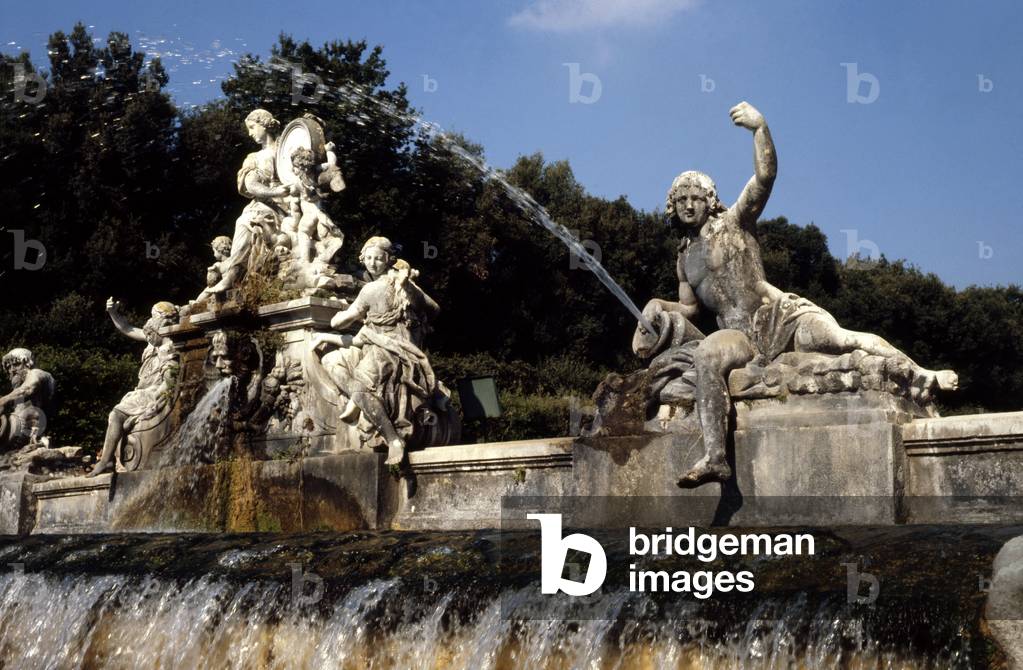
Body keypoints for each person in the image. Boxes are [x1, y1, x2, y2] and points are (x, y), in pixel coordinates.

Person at [648, 102, 956, 488]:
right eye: (681, 199)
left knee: (841, 340)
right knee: (709, 354)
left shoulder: (735, 221)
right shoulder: (683, 258)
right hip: (740, 335)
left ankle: (920, 372)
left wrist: (760, 128)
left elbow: (764, 177)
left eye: (696, 196)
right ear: (672, 207)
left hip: (778, 314)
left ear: (711, 200)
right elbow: (690, 309)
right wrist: (659, 306)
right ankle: (715, 458)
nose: (689, 204)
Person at [312, 236, 445, 465]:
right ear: (364, 259)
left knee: (355, 379)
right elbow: (433, 309)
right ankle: (357, 400)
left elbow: (342, 322)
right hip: (387, 346)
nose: (373, 263)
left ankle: (392, 438)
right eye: (370, 258)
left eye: (378, 259)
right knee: (334, 358)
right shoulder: (401, 283)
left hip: (387, 351)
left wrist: (334, 320)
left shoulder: (373, 290)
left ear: (388, 260)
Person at [87, 299, 179, 477]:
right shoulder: (153, 339)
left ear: (163, 321)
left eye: (154, 317)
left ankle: (105, 461)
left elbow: (168, 382)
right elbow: (127, 328)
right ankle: (107, 460)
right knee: (116, 414)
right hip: (142, 391)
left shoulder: (170, 345)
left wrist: (153, 400)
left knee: (116, 414)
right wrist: (113, 313)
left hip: (153, 393)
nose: (149, 324)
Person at [207, 109, 291, 294]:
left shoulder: (288, 148)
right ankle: (232, 275)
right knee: (245, 220)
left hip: (290, 205)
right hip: (266, 204)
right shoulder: (255, 157)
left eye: (253, 127)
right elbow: (250, 184)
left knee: (246, 220)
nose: (250, 133)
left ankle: (233, 274)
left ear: (264, 124)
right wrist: (274, 191)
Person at [0, 348, 55, 451]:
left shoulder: (36, 373)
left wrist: (3, 401)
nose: (12, 370)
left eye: (16, 364)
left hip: (31, 425)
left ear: (27, 363)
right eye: (8, 367)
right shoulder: (17, 388)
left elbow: (28, 388)